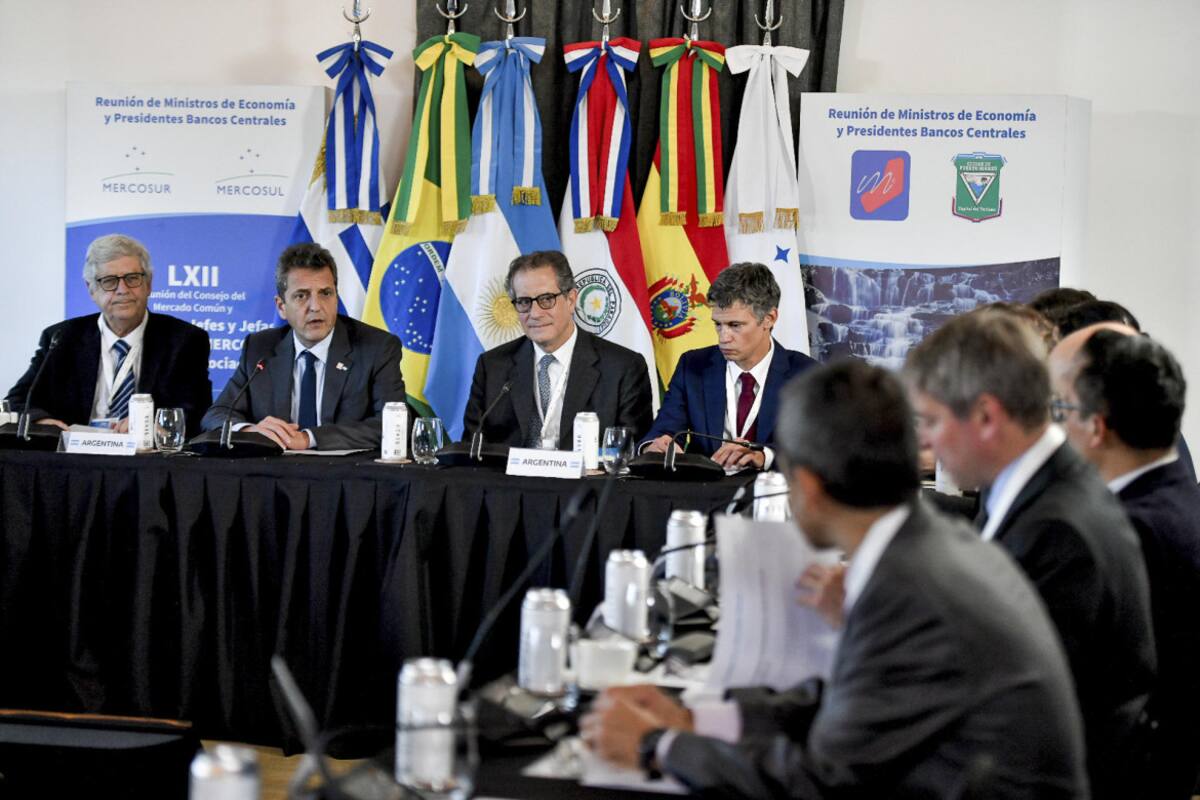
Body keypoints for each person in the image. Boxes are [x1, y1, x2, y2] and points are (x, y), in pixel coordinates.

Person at [581, 360, 1088, 798]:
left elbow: (822, 784)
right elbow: (843, 700)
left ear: (806, 485)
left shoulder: (907, 587)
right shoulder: (931, 542)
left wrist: (659, 747)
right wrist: (698, 717)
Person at [904, 309, 1156, 800]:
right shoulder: (1024, 492)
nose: (925, 442)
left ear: (986, 416)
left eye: (931, 421)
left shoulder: (1061, 530)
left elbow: (1008, 707)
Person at [1049, 325, 1200, 798]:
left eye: (1061, 409)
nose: (1055, 425)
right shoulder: (1177, 497)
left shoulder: (1126, 531)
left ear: (1096, 428)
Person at [200, 243, 405, 450]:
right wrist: (249, 431)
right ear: (281, 307)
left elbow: (393, 426)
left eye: (325, 293)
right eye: (301, 295)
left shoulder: (377, 347)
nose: (315, 307)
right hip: (273, 476)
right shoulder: (260, 348)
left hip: (347, 477)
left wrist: (309, 438)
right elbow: (216, 415)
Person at [5, 234, 212, 436]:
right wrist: (42, 422)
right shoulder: (62, 338)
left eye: (132, 279)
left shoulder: (185, 340)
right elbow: (18, 399)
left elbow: (196, 409)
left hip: (148, 460)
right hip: (75, 458)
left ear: (148, 284)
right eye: (109, 281)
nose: (122, 290)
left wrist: (151, 424)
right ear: (91, 289)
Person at [462, 250, 653, 449]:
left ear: (571, 300)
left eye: (546, 299)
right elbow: (472, 449)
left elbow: (630, 454)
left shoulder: (623, 367)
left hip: (587, 480)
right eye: (524, 302)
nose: (534, 314)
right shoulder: (493, 366)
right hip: (509, 480)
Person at [640, 262, 816, 470]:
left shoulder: (807, 375)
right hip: (703, 496)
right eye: (718, 324)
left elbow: (815, 449)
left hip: (775, 496)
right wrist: (655, 446)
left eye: (735, 325)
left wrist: (763, 456)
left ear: (769, 319)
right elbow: (663, 430)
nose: (724, 337)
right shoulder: (693, 366)